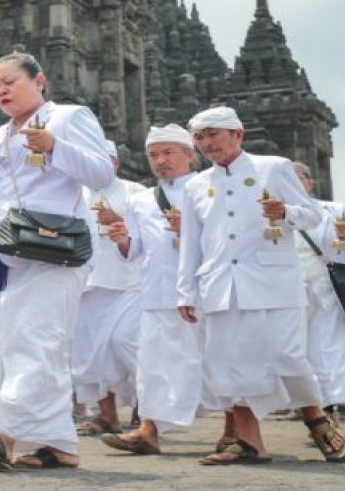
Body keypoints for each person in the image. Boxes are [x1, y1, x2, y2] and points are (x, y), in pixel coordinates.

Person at [0, 51, 114, 471]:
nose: (1, 91)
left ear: (39, 80)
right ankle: (58, 444)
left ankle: (2, 433)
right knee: (21, 341)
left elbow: (101, 175)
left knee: (36, 339)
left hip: (57, 245)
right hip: (13, 248)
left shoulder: (70, 117)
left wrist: (55, 146)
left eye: (10, 82)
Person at [177, 106, 345, 465]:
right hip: (221, 283)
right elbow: (192, 242)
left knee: (287, 354)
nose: (208, 143)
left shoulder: (272, 167)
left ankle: (315, 416)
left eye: (215, 134)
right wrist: (185, 291)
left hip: (272, 280)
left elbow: (313, 214)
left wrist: (284, 212)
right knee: (229, 362)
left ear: (237, 134)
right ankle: (250, 442)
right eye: (201, 137)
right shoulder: (196, 184)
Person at [100, 124, 203, 455]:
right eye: (154, 155)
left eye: (169, 153)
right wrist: (122, 240)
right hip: (156, 290)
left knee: (207, 360)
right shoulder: (142, 199)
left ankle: (235, 429)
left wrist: (190, 230)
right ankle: (148, 428)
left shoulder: (207, 191)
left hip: (200, 291)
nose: (161, 161)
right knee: (152, 363)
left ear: (190, 154)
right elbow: (136, 249)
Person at [71, 140, 146, 436]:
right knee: (91, 352)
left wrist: (120, 221)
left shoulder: (136, 192)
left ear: (115, 163)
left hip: (128, 280)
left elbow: (150, 231)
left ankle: (147, 411)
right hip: (88, 282)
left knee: (128, 343)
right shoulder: (76, 193)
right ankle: (107, 416)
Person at [291, 162, 345, 423]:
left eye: (297, 177)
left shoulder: (333, 210)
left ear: (310, 183)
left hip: (326, 289)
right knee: (294, 350)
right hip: (288, 291)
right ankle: (304, 403)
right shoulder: (269, 212)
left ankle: (329, 408)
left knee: (329, 350)